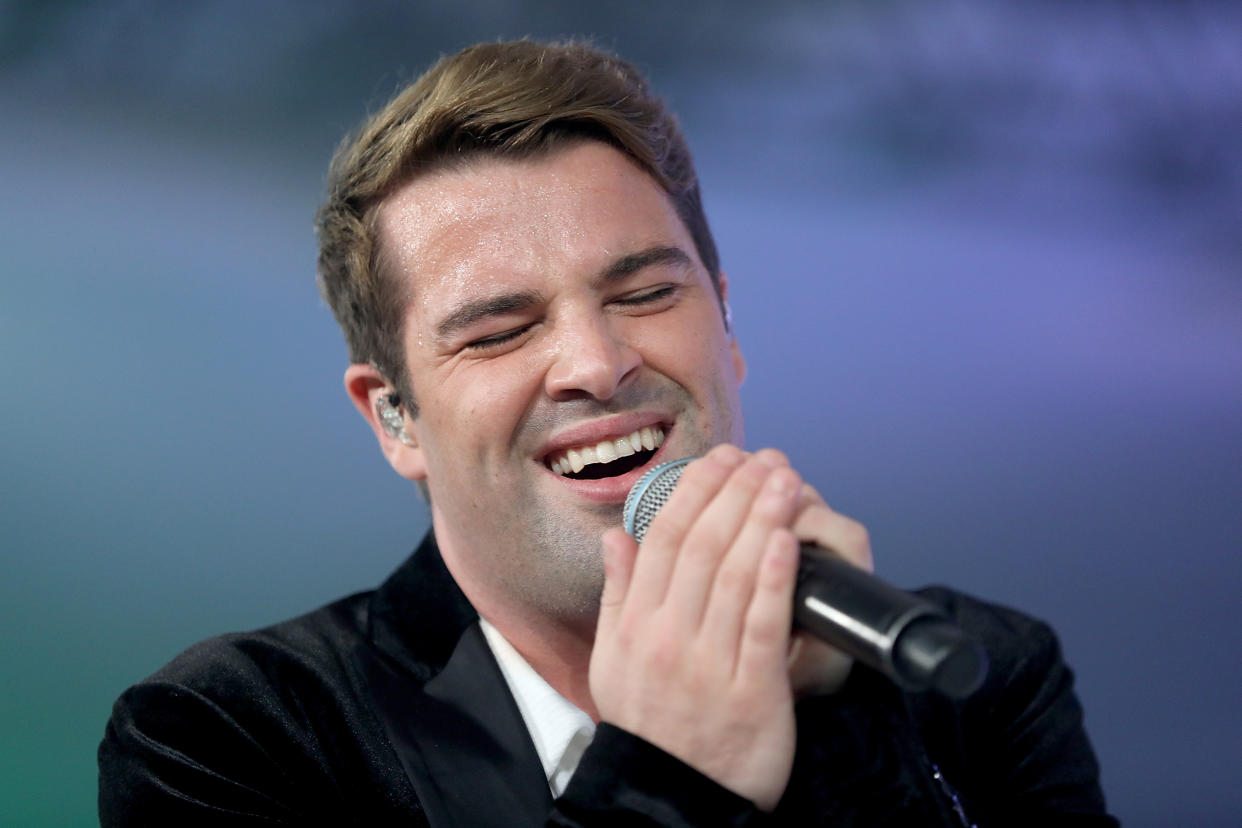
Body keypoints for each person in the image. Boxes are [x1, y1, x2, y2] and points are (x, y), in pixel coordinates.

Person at [98, 40, 1117, 826]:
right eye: (501, 330)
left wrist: (833, 726)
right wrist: (673, 775)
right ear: (395, 418)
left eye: (645, 292)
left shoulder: (973, 674)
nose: (597, 362)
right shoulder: (236, 733)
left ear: (727, 323)